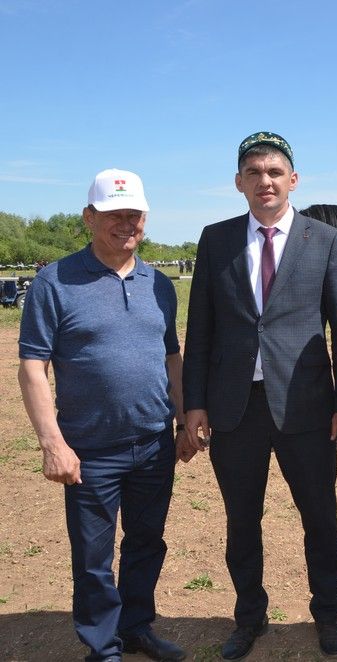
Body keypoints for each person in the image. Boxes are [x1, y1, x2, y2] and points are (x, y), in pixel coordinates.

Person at [182, 132, 337, 659]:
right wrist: (194, 403)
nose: (265, 181)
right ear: (239, 182)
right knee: (242, 520)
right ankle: (250, 616)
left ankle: (328, 614)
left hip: (306, 407)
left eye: (275, 172)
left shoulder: (324, 239)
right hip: (234, 408)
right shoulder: (215, 240)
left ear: (293, 180)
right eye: (254, 172)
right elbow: (202, 329)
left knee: (320, 517)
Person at [18, 169, 187, 662]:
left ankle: (136, 627)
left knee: (146, 542)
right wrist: (53, 443)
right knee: (93, 558)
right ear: (89, 216)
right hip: (89, 448)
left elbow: (171, 357)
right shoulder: (56, 281)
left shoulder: (158, 282)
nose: (125, 223)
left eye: (133, 214)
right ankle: (102, 645)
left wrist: (181, 421)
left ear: (145, 218)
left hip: (153, 443)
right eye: (113, 213)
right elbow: (33, 366)